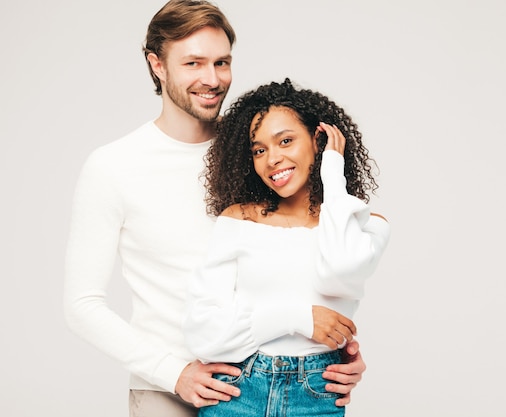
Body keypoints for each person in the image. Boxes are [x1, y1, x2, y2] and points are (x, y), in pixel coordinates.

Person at [63, 2, 367, 416]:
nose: (212, 79)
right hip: (165, 390)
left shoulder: (260, 153)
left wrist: (336, 353)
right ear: (157, 65)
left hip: (267, 382)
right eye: (193, 63)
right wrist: (174, 373)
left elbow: (314, 255)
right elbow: (82, 305)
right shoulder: (114, 166)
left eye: (221, 62)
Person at [183, 78, 391, 416]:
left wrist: (333, 173)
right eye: (259, 150)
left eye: (286, 141)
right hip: (238, 389)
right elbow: (204, 335)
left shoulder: (366, 225)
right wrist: (295, 317)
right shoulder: (238, 221)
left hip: (316, 392)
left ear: (317, 141)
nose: (272, 159)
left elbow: (340, 270)